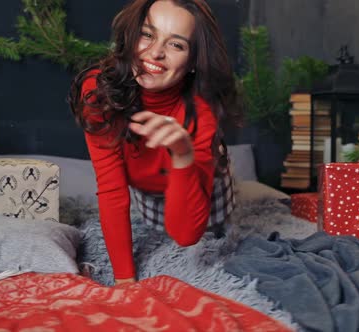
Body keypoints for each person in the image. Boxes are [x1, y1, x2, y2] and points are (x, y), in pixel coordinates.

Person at [68, 0, 240, 285]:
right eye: (147, 34)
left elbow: (186, 235)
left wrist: (183, 155)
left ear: (194, 61)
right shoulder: (99, 93)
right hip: (146, 193)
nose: (155, 53)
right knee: (155, 225)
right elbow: (112, 189)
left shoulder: (201, 113)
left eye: (176, 45)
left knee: (212, 235)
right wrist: (125, 280)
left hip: (203, 189)